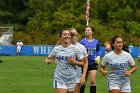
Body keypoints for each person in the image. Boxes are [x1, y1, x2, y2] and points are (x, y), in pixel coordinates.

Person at [45, 29, 84, 93]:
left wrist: (74, 62)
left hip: (72, 78)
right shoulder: (56, 49)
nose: (67, 36)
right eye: (65, 34)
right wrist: (47, 61)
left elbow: (83, 64)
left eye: (68, 34)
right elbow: (47, 58)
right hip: (59, 78)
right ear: (60, 37)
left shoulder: (76, 49)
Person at [80, 26, 101, 93]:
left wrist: (98, 56)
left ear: (92, 32)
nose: (86, 31)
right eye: (85, 30)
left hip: (93, 63)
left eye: (88, 30)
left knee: (92, 81)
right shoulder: (82, 42)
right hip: (84, 64)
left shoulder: (96, 41)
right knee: (83, 82)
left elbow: (98, 50)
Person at [69, 27, 88, 93]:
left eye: (73, 35)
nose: (72, 37)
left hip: (77, 76)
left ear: (77, 35)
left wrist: (83, 76)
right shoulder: (64, 46)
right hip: (65, 76)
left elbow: (85, 62)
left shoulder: (81, 47)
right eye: (71, 35)